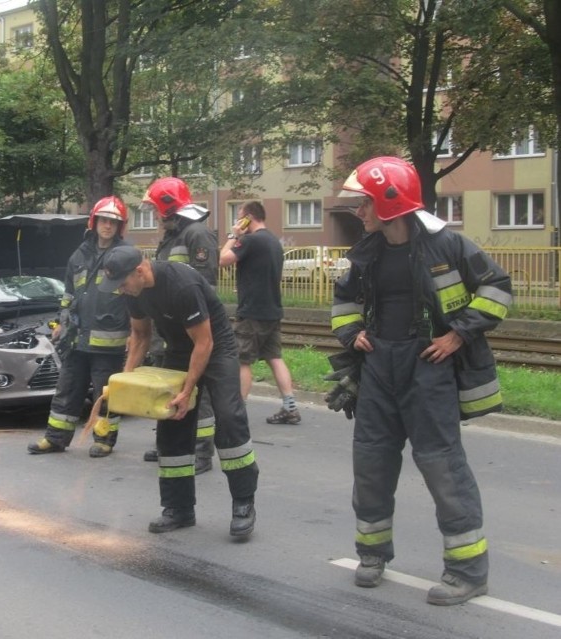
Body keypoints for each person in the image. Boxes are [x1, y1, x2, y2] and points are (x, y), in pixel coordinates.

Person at [332, 156, 512, 605]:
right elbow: (343, 303)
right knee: (371, 463)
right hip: (378, 369)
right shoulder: (365, 252)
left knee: (442, 467)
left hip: (427, 367)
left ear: (391, 204)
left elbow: (498, 289)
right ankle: (372, 555)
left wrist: (457, 334)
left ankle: (467, 572)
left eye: (365, 204)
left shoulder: (446, 246)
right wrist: (353, 335)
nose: (359, 212)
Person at [98, 245, 259, 537]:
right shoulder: (133, 293)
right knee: (171, 427)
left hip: (215, 348)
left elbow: (204, 344)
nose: (120, 290)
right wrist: (124, 381)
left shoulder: (181, 285)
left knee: (228, 417)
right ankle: (178, 508)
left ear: (140, 271)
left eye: (122, 283)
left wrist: (187, 391)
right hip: (178, 350)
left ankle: (243, 505)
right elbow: (140, 336)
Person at [28, 197, 131, 457]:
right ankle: (55, 438)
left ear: (120, 226)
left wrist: (135, 334)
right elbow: (69, 294)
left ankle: (104, 439)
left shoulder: (125, 256)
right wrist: (62, 324)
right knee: (68, 388)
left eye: (113, 222)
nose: (108, 226)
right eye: (104, 220)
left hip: (109, 342)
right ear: (94, 222)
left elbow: (135, 297)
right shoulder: (80, 254)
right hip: (76, 338)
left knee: (105, 394)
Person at [141, 176, 219, 474]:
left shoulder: (196, 234)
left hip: (192, 328)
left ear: (167, 207)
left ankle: (200, 452)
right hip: (172, 329)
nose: (155, 217)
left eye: (155, 209)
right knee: (171, 386)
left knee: (199, 392)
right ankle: (170, 442)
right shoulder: (174, 235)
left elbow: (204, 286)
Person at [218, 200, 301, 424]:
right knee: (275, 357)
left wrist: (234, 235)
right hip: (272, 310)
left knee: (242, 361)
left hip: (252, 312)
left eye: (240, 217)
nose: (237, 221)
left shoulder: (250, 240)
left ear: (249, 218)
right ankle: (290, 407)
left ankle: (238, 412)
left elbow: (221, 259)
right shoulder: (274, 241)